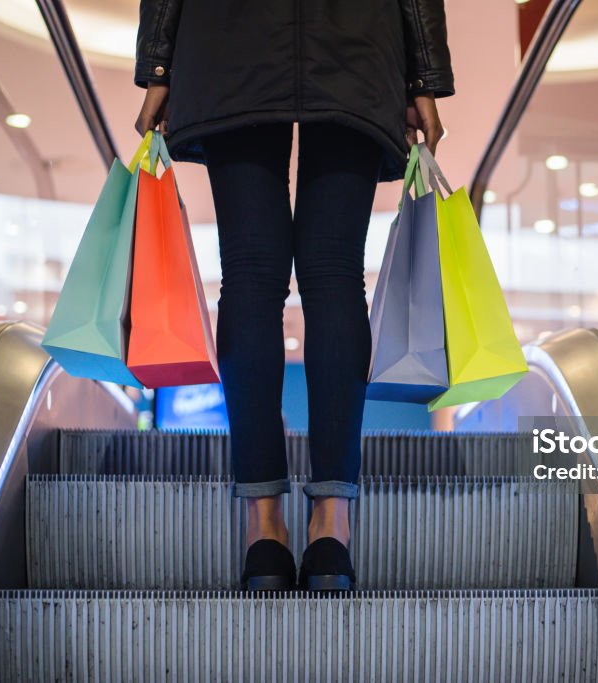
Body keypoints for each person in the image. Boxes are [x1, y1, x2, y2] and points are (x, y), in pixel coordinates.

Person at [133, 1, 454, 591]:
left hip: (230, 41)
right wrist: (423, 79)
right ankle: (330, 531)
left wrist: (158, 65)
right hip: (357, 43)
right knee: (334, 276)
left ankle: (264, 534)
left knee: (250, 277)